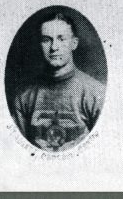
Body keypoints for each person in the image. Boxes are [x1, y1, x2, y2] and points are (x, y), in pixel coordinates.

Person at [11, 12, 106, 152]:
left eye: (61, 39)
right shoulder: (24, 98)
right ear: (39, 44)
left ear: (74, 43)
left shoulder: (96, 94)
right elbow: (19, 151)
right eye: (46, 40)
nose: (54, 47)